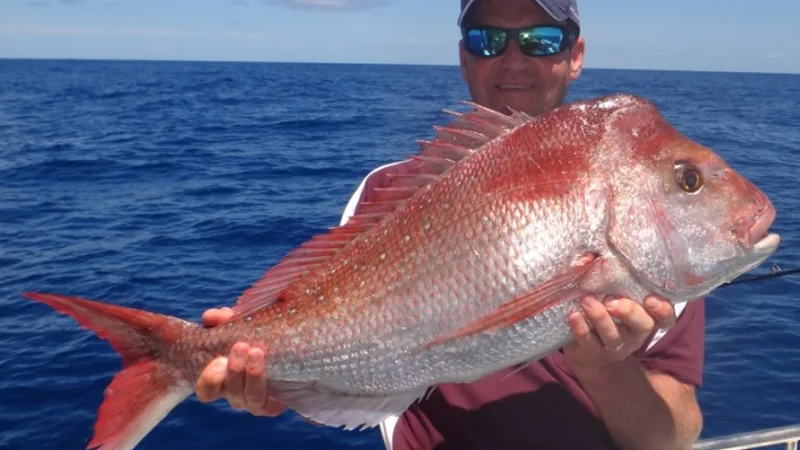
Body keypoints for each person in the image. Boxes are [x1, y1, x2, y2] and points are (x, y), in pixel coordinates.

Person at [196, 0, 706, 449]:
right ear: (464, 57)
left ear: (575, 55)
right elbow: (349, 359)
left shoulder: (652, 228)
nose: (513, 58)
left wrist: (606, 369)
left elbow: (672, 440)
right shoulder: (388, 191)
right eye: (488, 40)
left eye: (540, 39)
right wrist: (273, 382)